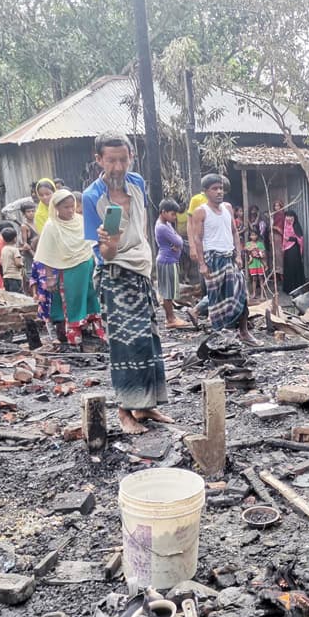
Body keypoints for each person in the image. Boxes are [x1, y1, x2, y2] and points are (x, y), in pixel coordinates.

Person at [85, 132, 173, 433]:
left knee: (148, 338)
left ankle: (146, 406)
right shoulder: (91, 197)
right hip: (114, 275)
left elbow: (142, 226)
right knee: (125, 342)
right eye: (111, 160)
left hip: (140, 271)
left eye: (123, 159)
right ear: (99, 160)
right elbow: (104, 254)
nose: (118, 167)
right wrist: (111, 242)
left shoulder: (137, 184)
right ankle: (124, 411)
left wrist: (143, 256)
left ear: (131, 158)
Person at [32, 188, 106, 347]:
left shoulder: (80, 220)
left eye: (72, 206)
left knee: (91, 297)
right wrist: (50, 277)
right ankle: (74, 334)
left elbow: (91, 242)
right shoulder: (52, 226)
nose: (71, 210)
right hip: (68, 269)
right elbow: (46, 253)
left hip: (87, 264)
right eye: (66, 207)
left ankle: (94, 331)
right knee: (73, 301)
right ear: (56, 208)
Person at [188, 173, 255, 343]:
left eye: (221, 188)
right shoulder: (200, 212)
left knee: (241, 294)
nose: (219, 192)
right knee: (217, 300)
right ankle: (220, 337)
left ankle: (244, 331)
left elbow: (233, 231)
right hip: (213, 258)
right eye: (214, 189)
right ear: (205, 192)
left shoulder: (228, 207)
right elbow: (197, 238)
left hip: (229, 256)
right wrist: (202, 264)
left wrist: (238, 254)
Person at [156, 199, 190, 328]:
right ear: (163, 212)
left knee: (169, 291)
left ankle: (171, 317)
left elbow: (177, 239)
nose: (174, 217)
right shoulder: (162, 227)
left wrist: (176, 242)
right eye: (172, 214)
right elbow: (179, 241)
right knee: (167, 292)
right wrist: (176, 243)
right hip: (166, 261)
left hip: (169, 260)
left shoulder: (167, 224)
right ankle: (170, 319)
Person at [282, 209, 306, 294]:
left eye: (290, 216)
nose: (289, 218)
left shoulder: (296, 226)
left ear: (294, 217)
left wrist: (290, 239)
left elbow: (299, 239)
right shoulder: (285, 226)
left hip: (294, 250)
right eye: (287, 216)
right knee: (288, 268)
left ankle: (297, 288)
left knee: (294, 267)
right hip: (287, 250)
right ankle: (289, 288)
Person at [0, 226, 24, 293]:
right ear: (15, 239)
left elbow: (1, 262)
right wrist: (22, 263)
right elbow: (18, 264)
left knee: (9, 296)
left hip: (6, 277)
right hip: (15, 277)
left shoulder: (4, 249)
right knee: (17, 296)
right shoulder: (15, 250)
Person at [20, 203, 39, 284]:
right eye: (28, 212)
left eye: (33, 211)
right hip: (30, 256)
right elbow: (26, 245)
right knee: (31, 275)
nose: (31, 213)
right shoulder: (24, 226)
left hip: (39, 252)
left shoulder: (38, 223)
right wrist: (34, 255)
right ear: (24, 214)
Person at [246, 228, 267, 301]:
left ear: (257, 236)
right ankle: (254, 293)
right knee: (254, 279)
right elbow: (246, 249)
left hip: (259, 263)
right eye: (252, 235)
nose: (253, 236)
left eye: (255, 235)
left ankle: (262, 294)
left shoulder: (260, 244)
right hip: (252, 264)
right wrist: (253, 247)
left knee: (261, 278)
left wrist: (260, 252)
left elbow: (263, 254)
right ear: (250, 236)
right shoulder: (248, 244)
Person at [270, 199, 285, 285]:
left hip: (279, 236)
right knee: (274, 255)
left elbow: (282, 228)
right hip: (274, 236)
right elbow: (271, 226)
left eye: (278, 206)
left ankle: (282, 273)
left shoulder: (282, 215)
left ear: (281, 206)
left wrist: (276, 228)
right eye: (275, 206)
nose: (276, 207)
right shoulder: (274, 215)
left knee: (279, 255)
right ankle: (276, 274)